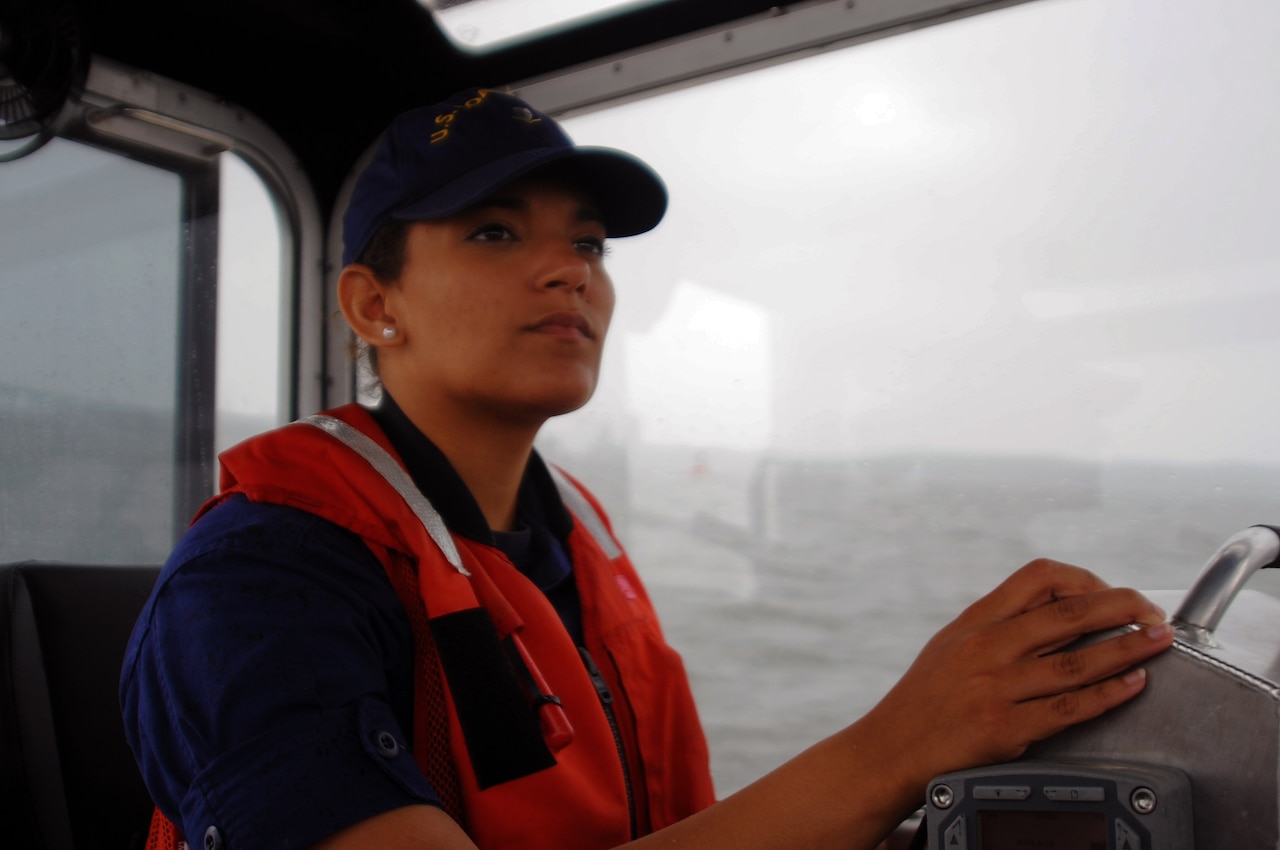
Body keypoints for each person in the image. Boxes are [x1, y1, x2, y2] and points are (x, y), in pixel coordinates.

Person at [120, 86, 1174, 850]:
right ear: (370, 305)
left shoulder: (567, 535)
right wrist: (895, 745)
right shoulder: (261, 580)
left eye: (589, 246)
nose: (566, 271)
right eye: (494, 232)